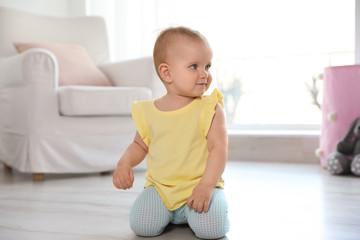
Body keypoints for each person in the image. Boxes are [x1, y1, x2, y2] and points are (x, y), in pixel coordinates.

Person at [113, 26, 230, 239]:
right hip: (161, 189)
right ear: (167, 72)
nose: (205, 74)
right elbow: (140, 145)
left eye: (207, 66)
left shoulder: (210, 108)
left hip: (201, 187)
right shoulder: (149, 111)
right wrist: (124, 163)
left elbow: (218, 149)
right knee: (143, 226)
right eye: (194, 66)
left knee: (211, 230)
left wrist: (206, 186)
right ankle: (167, 212)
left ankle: (207, 208)